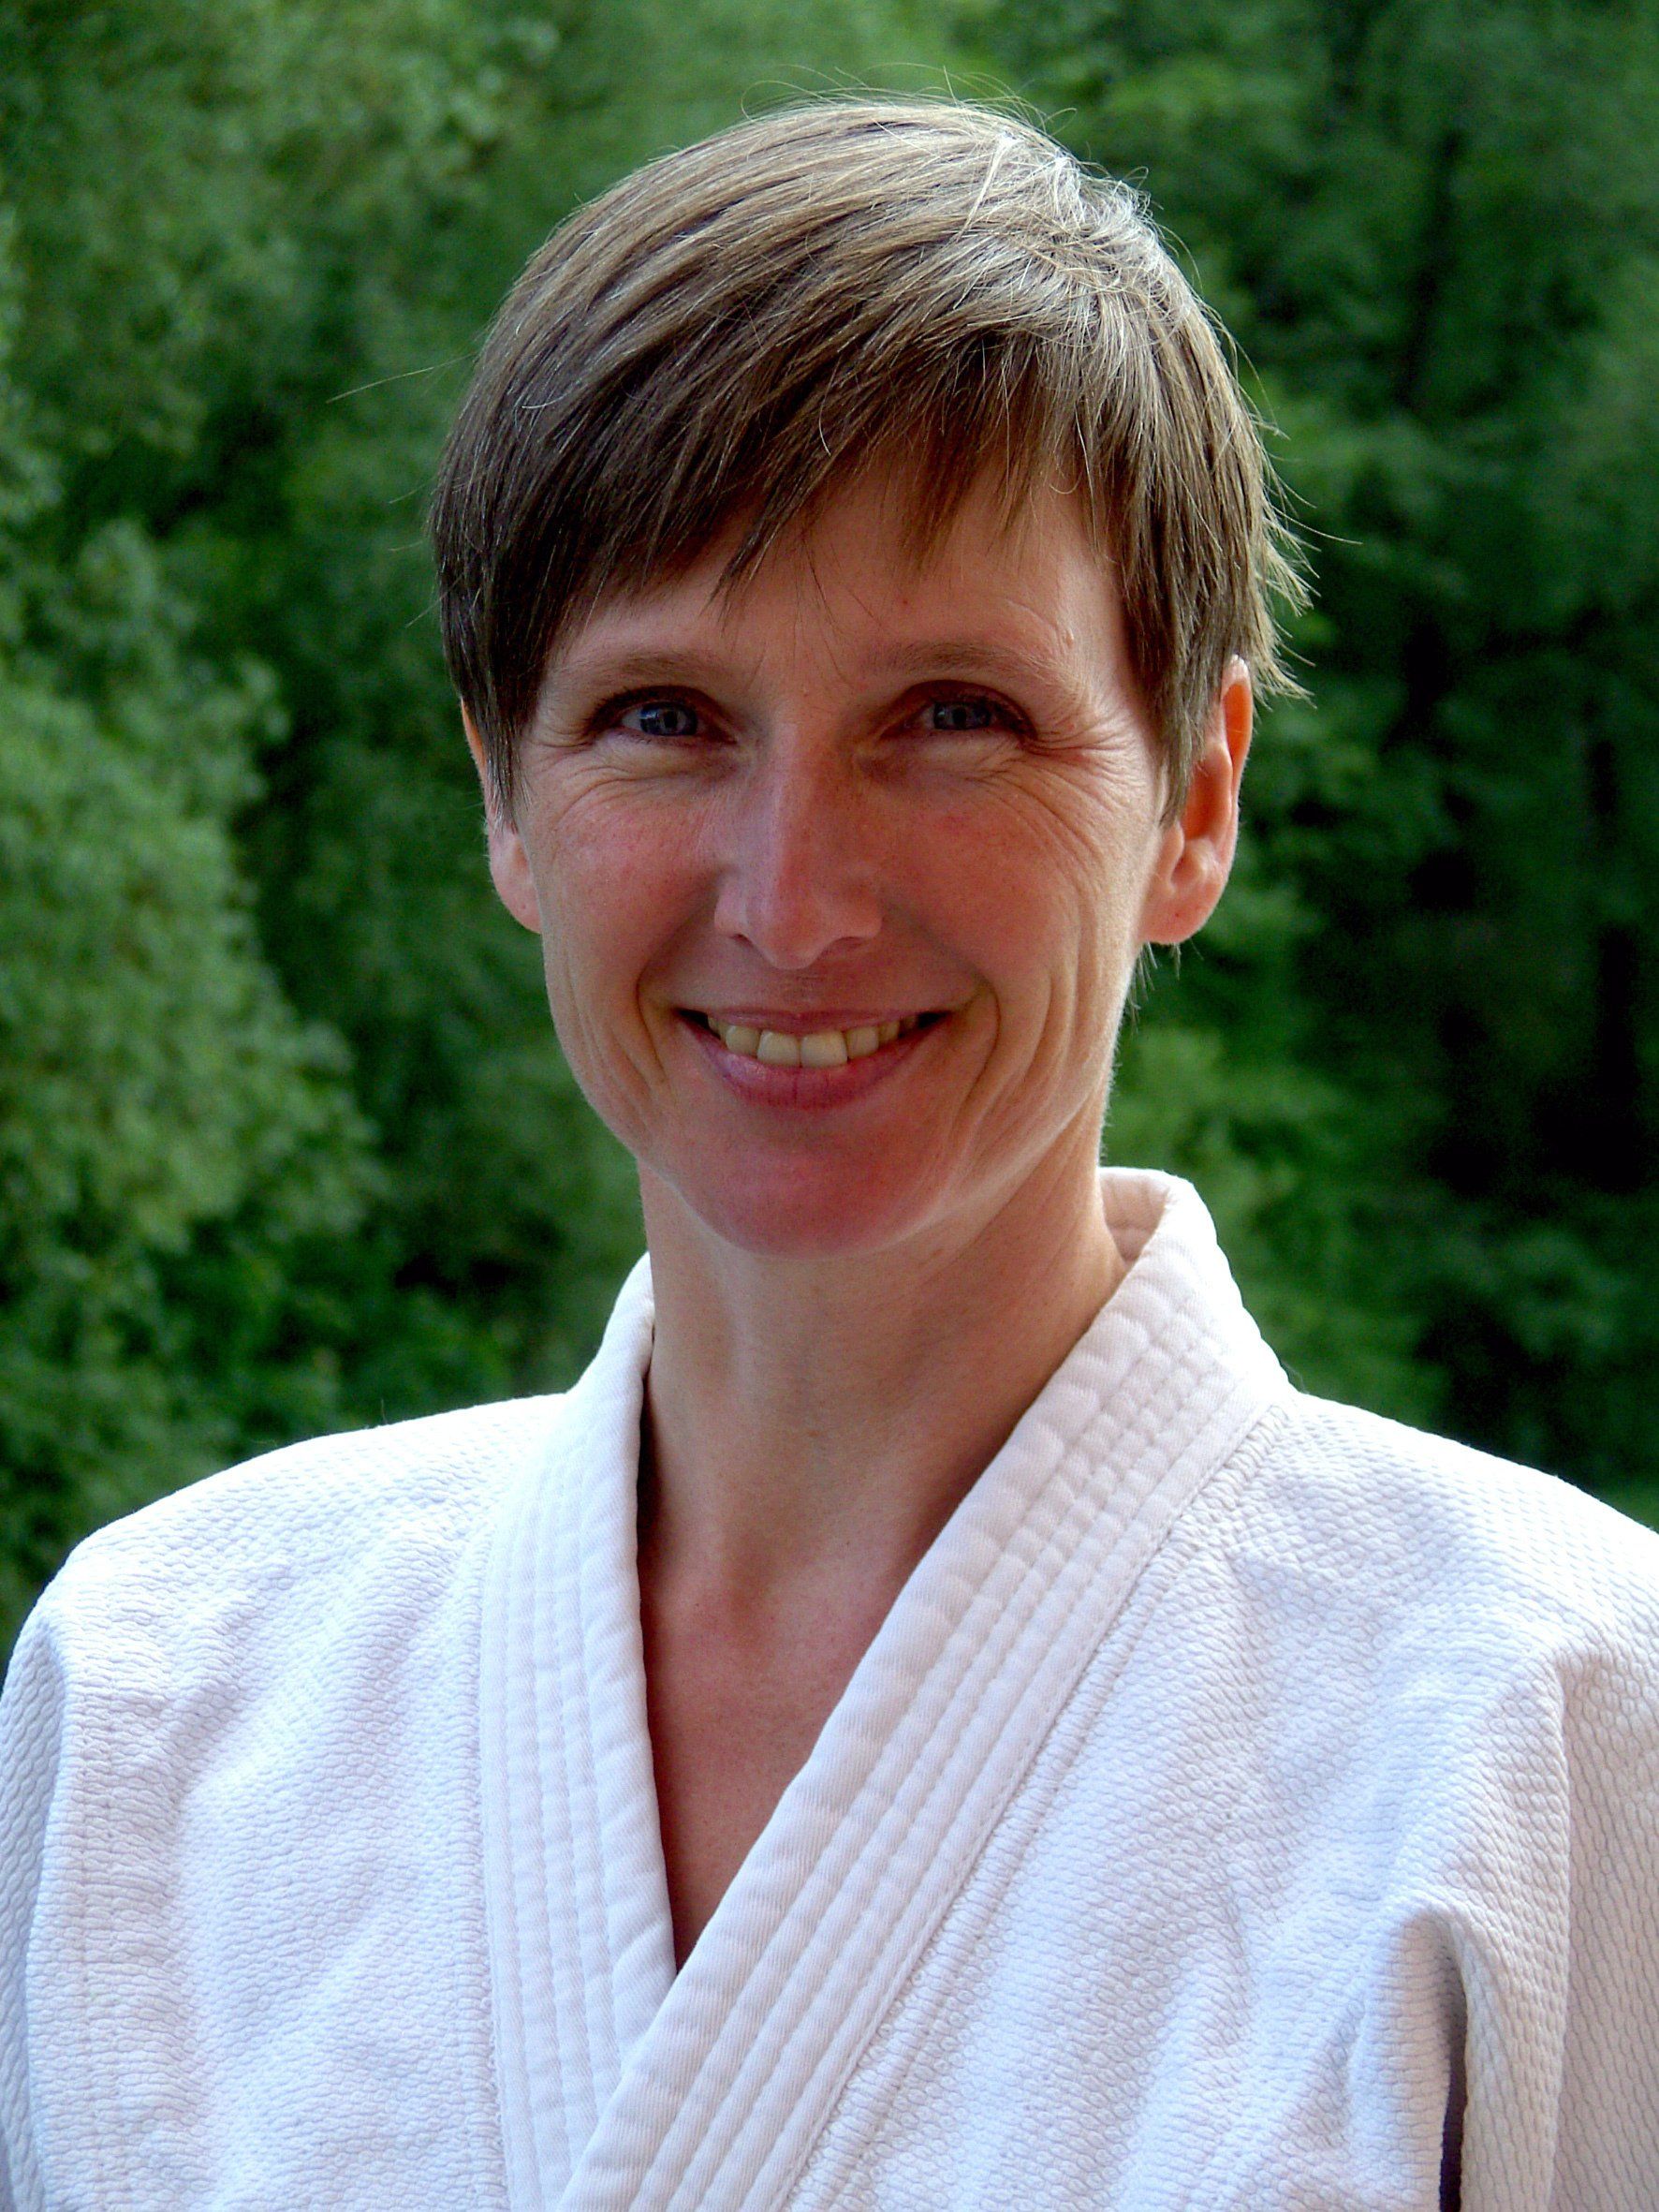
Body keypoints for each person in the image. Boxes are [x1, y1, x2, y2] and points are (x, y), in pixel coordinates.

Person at [2, 96, 1656, 2212]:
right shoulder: (160, 1696)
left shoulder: (1551, 1725)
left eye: (955, 715)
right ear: (505, 798)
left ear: (1195, 797)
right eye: (663, 718)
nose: (792, 901)